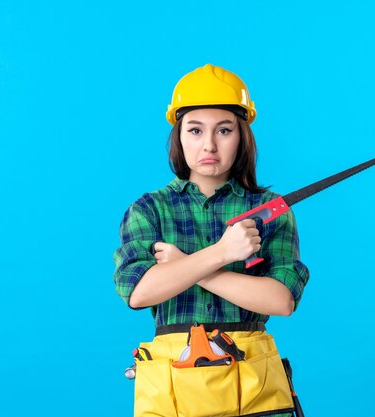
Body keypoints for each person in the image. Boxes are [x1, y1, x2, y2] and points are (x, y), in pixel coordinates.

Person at [113, 64, 310, 417]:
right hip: (173, 391)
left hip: (255, 390)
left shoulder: (269, 209)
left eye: (224, 130)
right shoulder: (149, 210)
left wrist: (192, 268)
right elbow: (139, 292)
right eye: (194, 130)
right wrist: (222, 252)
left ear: (242, 136)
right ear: (178, 136)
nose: (209, 144)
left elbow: (281, 300)